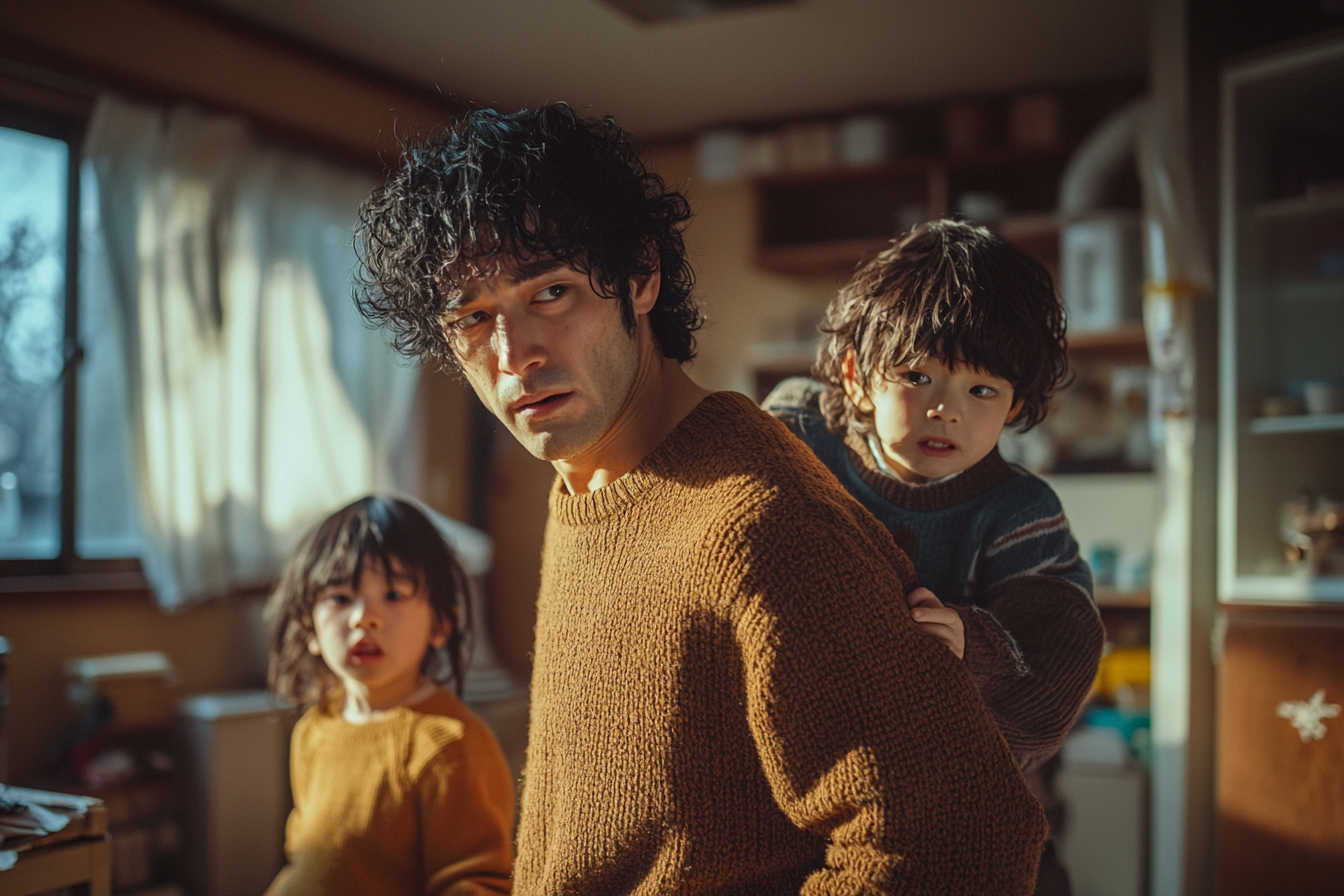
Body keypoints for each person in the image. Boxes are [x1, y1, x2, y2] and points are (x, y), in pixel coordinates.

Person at [355, 103, 1048, 895]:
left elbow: (966, 844)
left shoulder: (760, 521)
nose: (515, 356)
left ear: (640, 277)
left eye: (549, 292)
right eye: (474, 317)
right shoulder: (588, 484)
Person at [764, 219, 1106, 894]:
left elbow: (1063, 645)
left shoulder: (1018, 512)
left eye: (982, 390)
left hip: (975, 799)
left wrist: (973, 644)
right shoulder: (800, 441)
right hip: (816, 793)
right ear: (859, 377)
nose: (947, 410)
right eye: (918, 376)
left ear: (1016, 407)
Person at [263, 495, 514, 896]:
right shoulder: (314, 729)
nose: (364, 616)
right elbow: (303, 858)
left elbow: (476, 882)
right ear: (309, 629)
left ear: (441, 623)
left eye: (393, 595)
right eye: (341, 598)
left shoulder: (450, 747)